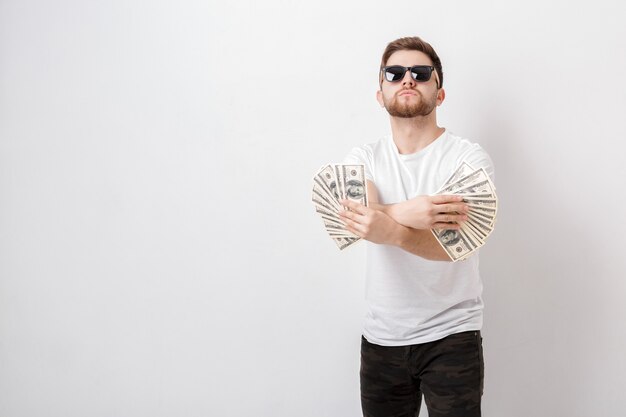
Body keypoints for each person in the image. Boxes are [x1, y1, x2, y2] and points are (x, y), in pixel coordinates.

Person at [338, 36, 495, 417]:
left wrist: (388, 227)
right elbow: (354, 218)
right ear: (381, 94)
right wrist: (413, 211)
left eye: (421, 73)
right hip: (380, 339)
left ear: (439, 94)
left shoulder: (466, 159)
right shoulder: (363, 157)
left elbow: (457, 246)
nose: (407, 79)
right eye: (394, 73)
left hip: (452, 335)